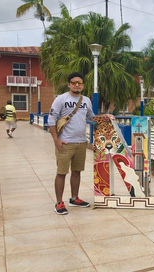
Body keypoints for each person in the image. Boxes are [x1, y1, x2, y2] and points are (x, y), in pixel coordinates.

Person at [48, 72, 96, 215]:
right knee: (61, 173)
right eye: (74, 83)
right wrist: (56, 140)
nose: (77, 85)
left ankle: (74, 198)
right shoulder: (61, 99)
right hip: (65, 143)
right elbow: (51, 119)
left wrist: (106, 117)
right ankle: (59, 202)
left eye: (79, 83)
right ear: (69, 84)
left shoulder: (86, 100)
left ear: (83, 85)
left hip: (81, 142)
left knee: (77, 172)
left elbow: (91, 117)